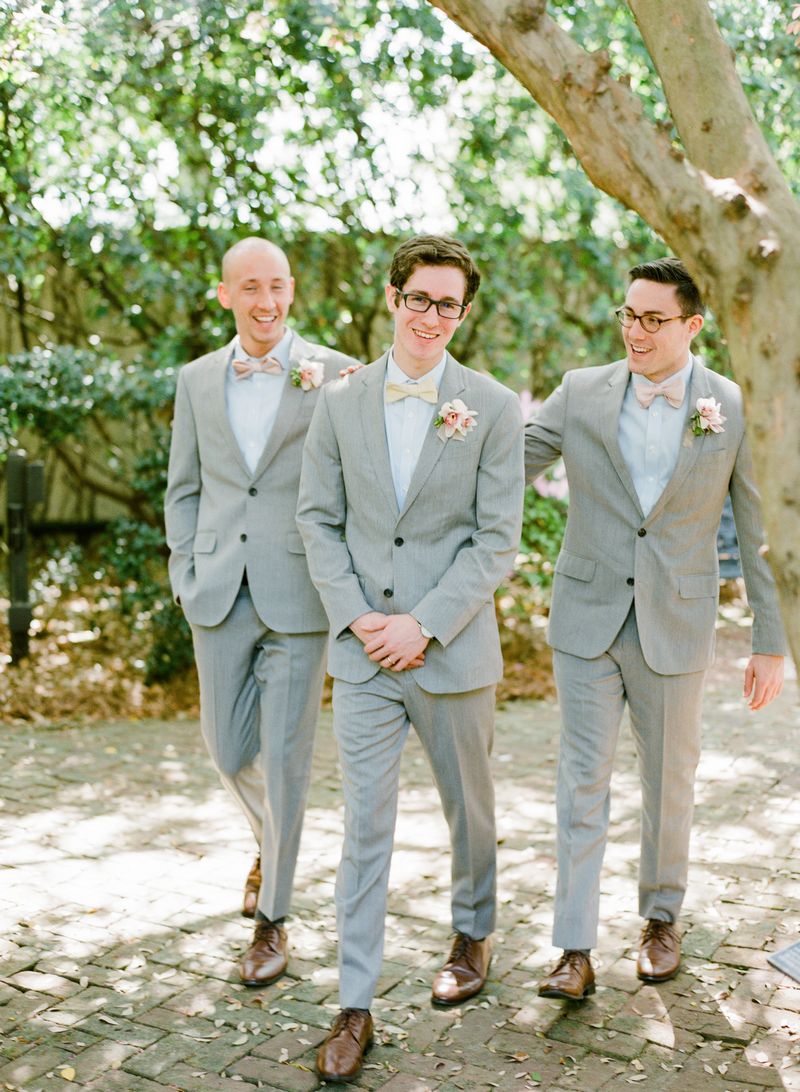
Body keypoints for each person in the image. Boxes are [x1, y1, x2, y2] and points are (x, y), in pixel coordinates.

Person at [525, 257, 786, 1001]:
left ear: (692, 326)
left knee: (671, 779)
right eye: (627, 315)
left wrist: (770, 640)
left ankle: (661, 918)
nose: (634, 331)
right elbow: (506, 462)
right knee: (582, 781)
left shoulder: (729, 405)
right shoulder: (581, 392)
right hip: (587, 617)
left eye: (652, 319)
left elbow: (759, 524)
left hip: (676, 618)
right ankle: (573, 948)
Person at [296, 234, 524, 1082]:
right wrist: (359, 617)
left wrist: (422, 624)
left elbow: (497, 541)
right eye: (419, 298)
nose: (433, 316)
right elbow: (317, 519)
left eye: (449, 304)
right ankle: (354, 1004)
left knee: (470, 807)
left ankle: (474, 929)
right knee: (366, 828)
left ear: (464, 314)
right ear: (393, 298)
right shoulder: (341, 399)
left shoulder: (493, 407)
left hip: (452, 652)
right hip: (362, 657)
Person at [164, 236, 361, 988]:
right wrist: (185, 572)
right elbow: (185, 486)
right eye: (250, 287)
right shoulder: (195, 380)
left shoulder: (337, 373)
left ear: (292, 290)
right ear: (225, 295)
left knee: (284, 758)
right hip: (216, 588)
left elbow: (356, 484)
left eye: (277, 285)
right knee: (224, 747)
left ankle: (273, 921)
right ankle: (268, 843)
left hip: (300, 593)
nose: (267, 301)